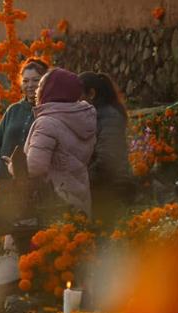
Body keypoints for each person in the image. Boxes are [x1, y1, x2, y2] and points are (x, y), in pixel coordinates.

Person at [24, 67, 97, 216]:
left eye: (40, 86)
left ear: (50, 90)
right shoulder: (84, 118)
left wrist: (13, 165)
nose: (37, 91)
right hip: (80, 195)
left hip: (53, 204)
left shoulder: (46, 123)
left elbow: (34, 167)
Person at [79, 71, 134, 226]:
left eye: (79, 96)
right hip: (102, 190)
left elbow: (108, 159)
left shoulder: (109, 117)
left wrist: (82, 181)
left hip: (112, 191)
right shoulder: (95, 116)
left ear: (91, 94)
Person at [0, 58, 48, 180]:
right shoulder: (13, 110)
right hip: (6, 181)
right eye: (26, 81)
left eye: (35, 80)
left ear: (44, 82)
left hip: (33, 183)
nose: (30, 85)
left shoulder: (49, 112)